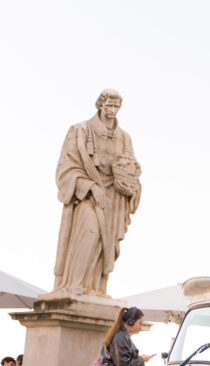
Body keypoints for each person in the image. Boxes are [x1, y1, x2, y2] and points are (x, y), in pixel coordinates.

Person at [52, 89, 141, 297]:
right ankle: (74, 284)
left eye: (116, 106)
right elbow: (65, 169)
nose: (112, 110)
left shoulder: (124, 138)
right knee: (90, 232)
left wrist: (131, 180)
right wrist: (90, 186)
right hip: (87, 194)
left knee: (105, 243)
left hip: (115, 197)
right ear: (100, 105)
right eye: (109, 105)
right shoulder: (80, 130)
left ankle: (96, 289)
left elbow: (132, 168)